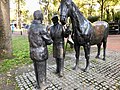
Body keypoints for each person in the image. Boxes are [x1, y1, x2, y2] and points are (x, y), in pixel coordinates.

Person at [28, 10, 53, 90]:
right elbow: (49, 41)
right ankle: (42, 85)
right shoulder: (42, 27)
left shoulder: (30, 27)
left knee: (36, 68)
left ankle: (38, 83)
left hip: (33, 52)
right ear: (40, 17)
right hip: (41, 53)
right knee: (41, 69)